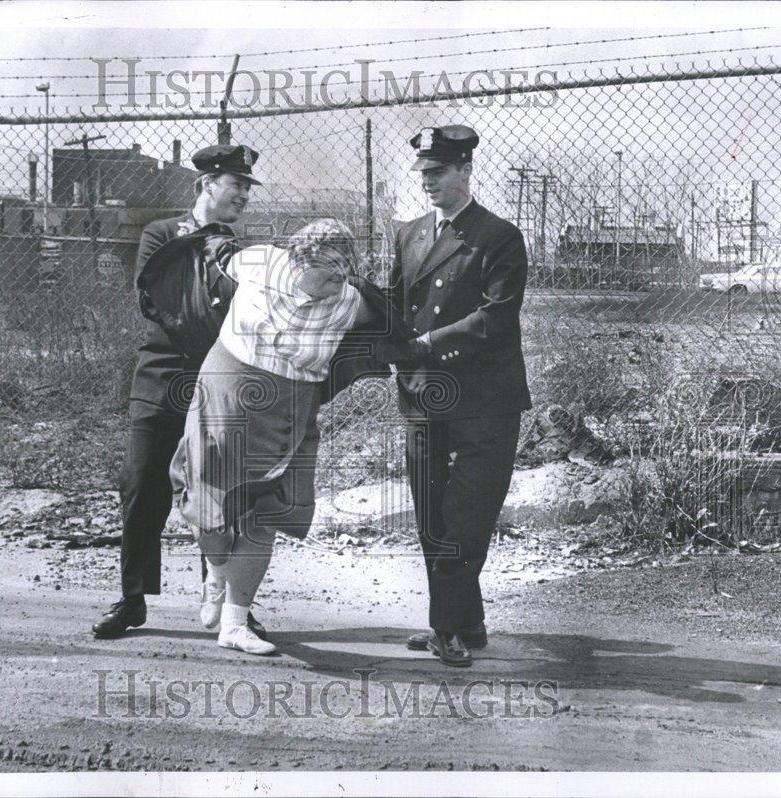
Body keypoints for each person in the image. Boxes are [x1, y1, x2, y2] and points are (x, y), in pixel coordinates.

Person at [170, 219, 376, 655]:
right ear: (298, 260)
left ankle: (234, 624)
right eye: (328, 270)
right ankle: (216, 571)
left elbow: (387, 329)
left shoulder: (352, 300)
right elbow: (213, 271)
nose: (337, 279)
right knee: (211, 503)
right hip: (228, 395)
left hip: (292, 407)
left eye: (345, 270)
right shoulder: (261, 261)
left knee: (269, 512)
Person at [92, 144, 268, 640]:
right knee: (142, 482)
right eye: (236, 186)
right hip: (163, 375)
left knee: (219, 490)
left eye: (247, 189)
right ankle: (132, 599)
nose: (244, 198)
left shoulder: (236, 245)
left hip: (218, 380)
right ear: (206, 185)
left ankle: (228, 601)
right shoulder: (161, 233)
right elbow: (157, 300)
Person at [383, 126, 532, 667]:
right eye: (422, 173)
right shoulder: (409, 234)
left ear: (466, 171)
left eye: (438, 173)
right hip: (424, 396)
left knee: (465, 519)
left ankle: (445, 627)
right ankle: (467, 620)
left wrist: (424, 344)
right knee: (430, 519)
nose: (427, 182)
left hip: (485, 402)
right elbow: (395, 306)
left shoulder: (499, 237)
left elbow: (495, 319)